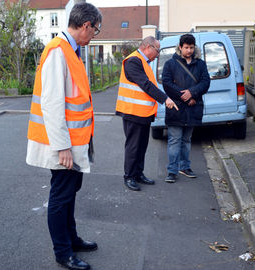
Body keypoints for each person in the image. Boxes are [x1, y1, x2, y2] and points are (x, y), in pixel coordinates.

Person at [26, 3, 102, 270]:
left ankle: (71, 239)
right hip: (64, 145)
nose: (95, 35)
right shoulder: (59, 51)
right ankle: (63, 253)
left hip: (74, 141)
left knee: (69, 193)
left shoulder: (71, 50)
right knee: (61, 197)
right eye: (95, 30)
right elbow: (53, 104)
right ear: (85, 25)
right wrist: (63, 147)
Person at [116, 36, 178, 191]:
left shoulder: (143, 61)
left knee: (142, 145)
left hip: (142, 112)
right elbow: (145, 84)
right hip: (132, 112)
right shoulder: (133, 61)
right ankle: (129, 176)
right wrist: (165, 99)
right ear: (148, 47)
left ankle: (138, 174)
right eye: (157, 51)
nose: (157, 54)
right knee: (133, 146)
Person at [162, 34, 210, 183]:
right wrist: (184, 96)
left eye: (191, 47)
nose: (189, 50)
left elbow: (205, 82)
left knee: (187, 139)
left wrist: (192, 94)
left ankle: (185, 167)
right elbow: (167, 83)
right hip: (176, 107)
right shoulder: (170, 64)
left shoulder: (200, 64)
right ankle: (172, 171)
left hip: (193, 107)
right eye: (186, 47)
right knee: (175, 140)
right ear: (180, 47)